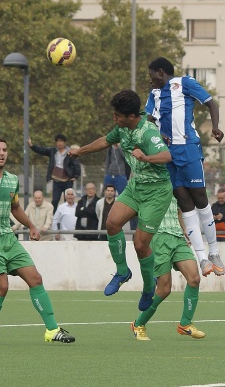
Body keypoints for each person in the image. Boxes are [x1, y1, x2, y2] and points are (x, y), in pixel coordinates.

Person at [0, 137, 74, 346]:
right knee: (2, 287)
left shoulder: (11, 180)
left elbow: (15, 207)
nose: (2, 153)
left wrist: (32, 226)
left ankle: (52, 330)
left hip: (9, 238)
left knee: (35, 278)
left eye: (5, 150)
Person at [69, 89, 172, 312]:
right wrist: (81, 152)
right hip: (136, 187)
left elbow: (166, 156)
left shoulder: (148, 132)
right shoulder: (122, 129)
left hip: (156, 192)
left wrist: (145, 157)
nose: (114, 119)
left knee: (140, 244)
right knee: (112, 223)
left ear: (131, 117)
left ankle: (147, 288)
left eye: (118, 116)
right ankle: (123, 271)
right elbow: (105, 141)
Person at [146, 57, 225, 277]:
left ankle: (215, 252)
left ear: (160, 72)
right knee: (184, 203)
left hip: (188, 148)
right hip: (167, 155)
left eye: (151, 74)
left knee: (200, 198)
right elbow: (148, 120)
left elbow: (211, 102)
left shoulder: (185, 83)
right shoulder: (153, 96)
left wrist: (216, 127)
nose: (149, 79)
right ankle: (202, 258)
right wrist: (157, 133)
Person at [131, 196, 205, 341]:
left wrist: (184, 230)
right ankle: (138, 323)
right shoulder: (149, 186)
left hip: (178, 238)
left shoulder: (175, 185)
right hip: (158, 238)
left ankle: (185, 324)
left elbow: (178, 212)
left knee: (194, 279)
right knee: (164, 289)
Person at [28, 134, 80, 213]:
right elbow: (42, 150)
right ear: (56, 143)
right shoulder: (52, 151)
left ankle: (68, 215)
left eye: (61, 141)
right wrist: (32, 146)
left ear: (64, 142)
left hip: (67, 180)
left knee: (68, 200)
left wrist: (76, 176)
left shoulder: (70, 152)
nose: (60, 143)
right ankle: (53, 217)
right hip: (57, 181)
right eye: (58, 141)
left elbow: (76, 164)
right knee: (55, 201)